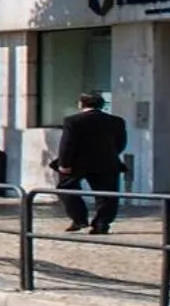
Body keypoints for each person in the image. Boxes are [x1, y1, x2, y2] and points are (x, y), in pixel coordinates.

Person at [52, 91, 128, 235]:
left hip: (77, 163)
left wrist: (64, 163)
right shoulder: (116, 121)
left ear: (81, 104)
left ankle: (79, 218)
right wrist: (110, 154)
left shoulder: (73, 120)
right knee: (107, 194)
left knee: (65, 189)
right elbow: (121, 143)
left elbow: (67, 144)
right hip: (107, 162)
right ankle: (102, 223)